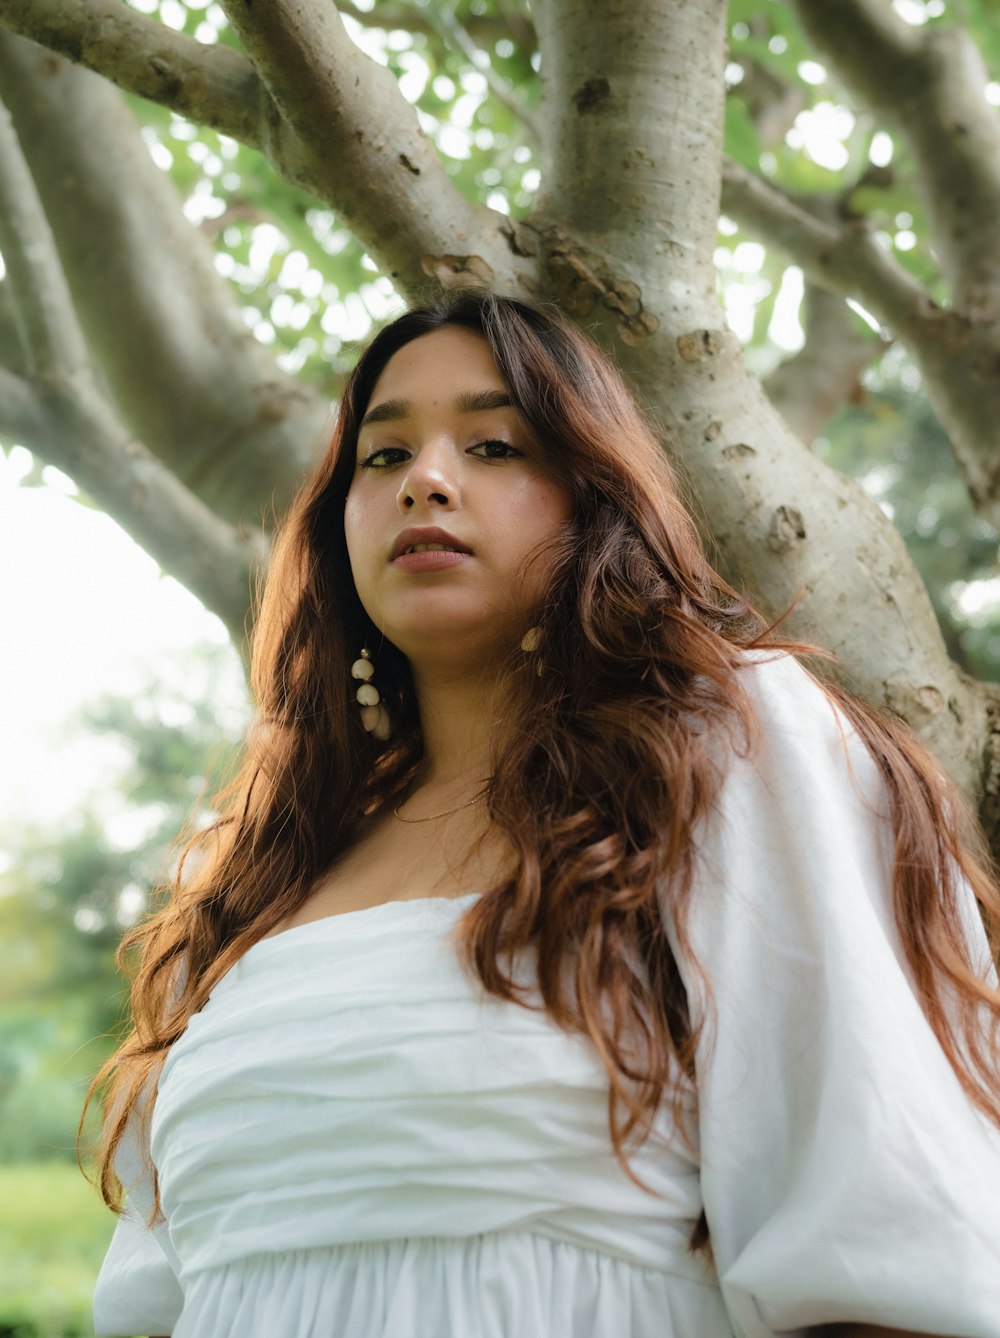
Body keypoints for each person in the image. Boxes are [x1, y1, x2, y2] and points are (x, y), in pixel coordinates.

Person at [89, 292, 1000, 1338]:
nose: (426, 479)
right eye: (382, 457)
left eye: (493, 443)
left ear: (594, 498)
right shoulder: (252, 884)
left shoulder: (732, 753)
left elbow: (884, 1243)